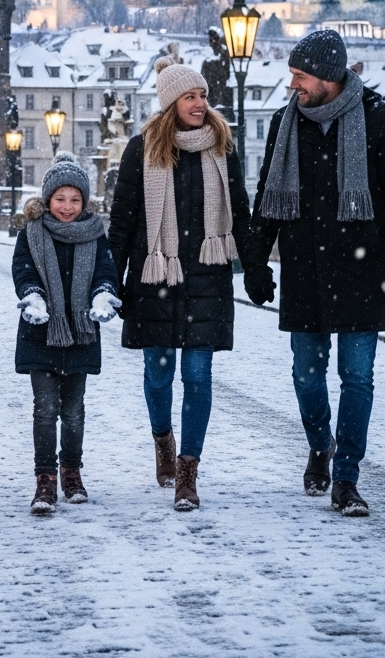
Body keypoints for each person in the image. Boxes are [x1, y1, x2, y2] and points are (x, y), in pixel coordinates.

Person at [245, 29, 385, 516]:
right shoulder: (286, 123)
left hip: (361, 272)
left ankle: (345, 475)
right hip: (303, 269)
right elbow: (267, 202)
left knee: (358, 378)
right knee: (307, 376)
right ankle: (319, 444)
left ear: (328, 76)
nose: (294, 85)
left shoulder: (378, 119)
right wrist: (256, 262)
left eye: (301, 76)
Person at [109, 56, 261, 511]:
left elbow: (240, 207)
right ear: (171, 102)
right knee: (158, 374)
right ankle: (163, 440)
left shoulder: (221, 146)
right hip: (155, 275)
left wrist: (253, 266)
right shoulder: (142, 149)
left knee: (197, 375)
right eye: (190, 97)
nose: (200, 104)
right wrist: (111, 281)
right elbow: (123, 221)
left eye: (202, 96)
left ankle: (188, 472)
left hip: (207, 276)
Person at [12, 152, 120, 514]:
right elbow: (23, 272)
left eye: (75, 199)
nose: (68, 206)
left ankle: (71, 473)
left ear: (85, 201)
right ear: (47, 199)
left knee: (73, 410)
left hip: (80, 332)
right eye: (60, 199)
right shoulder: (31, 233)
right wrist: (33, 298)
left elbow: (106, 270)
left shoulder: (94, 233)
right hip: (40, 331)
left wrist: (104, 292)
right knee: (45, 409)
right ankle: (45, 480)